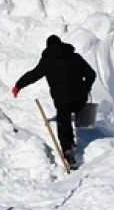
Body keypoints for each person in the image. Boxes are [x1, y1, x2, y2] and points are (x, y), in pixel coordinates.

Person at [12, 34, 97, 169]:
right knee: (79, 110)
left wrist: (18, 85)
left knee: (63, 121)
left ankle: (68, 149)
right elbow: (91, 74)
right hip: (80, 98)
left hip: (63, 101)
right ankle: (81, 138)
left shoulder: (47, 61)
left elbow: (33, 75)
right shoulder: (75, 57)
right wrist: (86, 88)